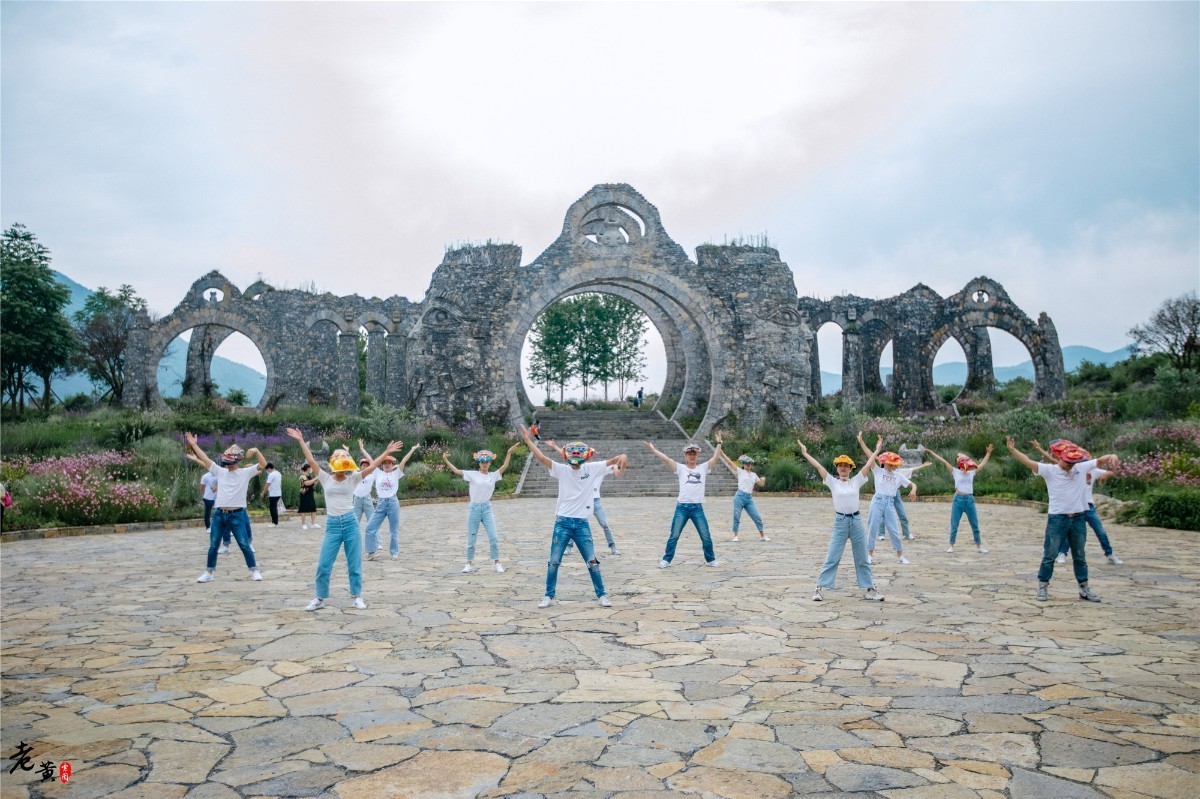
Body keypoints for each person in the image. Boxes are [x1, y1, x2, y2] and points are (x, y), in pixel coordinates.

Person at [287, 428, 403, 611]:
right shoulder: (325, 478)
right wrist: (301, 440)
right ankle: (320, 598)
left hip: (350, 523)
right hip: (332, 525)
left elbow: (372, 467)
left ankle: (357, 596)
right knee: (324, 564)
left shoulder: (353, 479)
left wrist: (386, 452)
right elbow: (311, 460)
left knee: (354, 564)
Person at [520, 425, 626, 608]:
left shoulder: (591, 469)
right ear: (566, 455)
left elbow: (613, 461)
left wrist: (622, 456)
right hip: (562, 522)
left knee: (592, 561)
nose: (575, 457)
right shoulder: (561, 470)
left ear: (586, 456)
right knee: (554, 561)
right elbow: (542, 458)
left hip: (582, 524)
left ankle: (602, 595)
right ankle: (548, 596)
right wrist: (528, 440)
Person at [1006, 437, 1119, 602]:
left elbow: (1101, 460)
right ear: (1060, 458)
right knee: (1050, 554)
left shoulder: (1081, 467)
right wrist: (1013, 450)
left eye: (1073, 462)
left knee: (1080, 555)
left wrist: (1113, 456)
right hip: (1057, 519)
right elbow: (1028, 462)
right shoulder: (1049, 470)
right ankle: (1043, 586)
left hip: (1078, 518)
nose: (1071, 465)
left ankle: (1084, 589)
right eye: (1068, 462)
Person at [798, 435, 885, 602]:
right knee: (833, 555)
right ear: (837, 468)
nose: (843, 468)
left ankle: (870, 589)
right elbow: (818, 466)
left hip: (856, 521)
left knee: (862, 557)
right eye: (840, 465)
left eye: (846, 466)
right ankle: (819, 588)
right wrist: (805, 453)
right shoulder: (832, 482)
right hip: (840, 522)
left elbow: (868, 465)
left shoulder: (856, 481)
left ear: (851, 468)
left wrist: (877, 450)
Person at [185, 436, 265, 584]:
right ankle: (209, 572)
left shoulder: (245, 472)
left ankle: (254, 570)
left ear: (237, 461)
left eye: (230, 462)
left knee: (244, 544)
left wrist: (257, 450)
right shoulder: (220, 471)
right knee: (213, 545)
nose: (228, 465)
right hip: (219, 514)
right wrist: (195, 446)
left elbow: (263, 465)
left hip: (237, 514)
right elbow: (205, 459)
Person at [1031, 441, 1124, 566]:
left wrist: (1110, 470)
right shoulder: (1072, 469)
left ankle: (1110, 554)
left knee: (1100, 531)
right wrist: (1039, 449)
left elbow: (1108, 470)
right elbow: (1052, 460)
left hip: (1088, 506)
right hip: (1074, 507)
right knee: (1067, 530)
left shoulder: (1093, 470)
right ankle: (1062, 553)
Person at [644, 433, 725, 569]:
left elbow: (716, 457)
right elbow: (667, 459)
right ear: (685, 456)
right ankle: (666, 559)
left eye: (694, 454)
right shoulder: (681, 468)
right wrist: (653, 449)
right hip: (682, 508)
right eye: (689, 454)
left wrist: (719, 443)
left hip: (697, 508)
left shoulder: (703, 468)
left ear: (697, 456)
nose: (692, 456)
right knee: (674, 535)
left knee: (705, 535)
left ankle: (710, 559)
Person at [443, 443, 521, 573]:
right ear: (479, 463)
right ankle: (468, 563)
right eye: (482, 462)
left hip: (486, 509)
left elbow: (504, 466)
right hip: (474, 508)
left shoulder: (493, 476)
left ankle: (497, 563)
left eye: (487, 462)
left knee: (493, 537)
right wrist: (446, 460)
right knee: (472, 537)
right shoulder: (472, 474)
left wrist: (508, 453)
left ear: (490, 463)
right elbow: (456, 471)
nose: (484, 464)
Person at [546, 439, 625, 556]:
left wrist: (616, 468)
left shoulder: (597, 467)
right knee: (575, 523)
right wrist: (555, 446)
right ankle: (568, 547)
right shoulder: (580, 467)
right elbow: (568, 456)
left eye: (592, 453)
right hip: (581, 501)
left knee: (604, 524)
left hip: (595, 500)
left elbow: (613, 463)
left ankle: (613, 547)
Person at [925, 445, 994, 554]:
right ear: (961, 466)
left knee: (975, 524)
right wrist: (931, 452)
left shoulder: (972, 473)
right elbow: (943, 461)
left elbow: (982, 464)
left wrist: (988, 453)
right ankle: (951, 546)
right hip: (958, 500)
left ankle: (979, 546)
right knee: (954, 524)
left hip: (969, 500)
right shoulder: (955, 472)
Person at [861, 433, 916, 565]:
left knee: (894, 530)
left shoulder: (898, 476)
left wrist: (913, 490)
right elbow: (869, 455)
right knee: (873, 527)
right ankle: (869, 555)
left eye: (893, 464)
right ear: (885, 463)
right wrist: (863, 442)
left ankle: (900, 556)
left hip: (890, 503)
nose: (891, 466)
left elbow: (912, 484)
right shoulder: (878, 471)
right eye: (889, 464)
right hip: (878, 501)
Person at [361, 440, 420, 561]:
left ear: (393, 465)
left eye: (389, 463)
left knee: (394, 530)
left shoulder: (396, 473)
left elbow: (404, 461)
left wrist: (412, 449)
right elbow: (371, 460)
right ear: (382, 464)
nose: (387, 465)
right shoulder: (377, 472)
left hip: (393, 503)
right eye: (385, 463)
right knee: (370, 527)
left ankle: (394, 552)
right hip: (381, 503)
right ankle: (371, 552)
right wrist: (362, 449)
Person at [719, 450, 769, 542]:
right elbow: (730, 462)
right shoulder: (740, 471)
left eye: (749, 463)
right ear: (743, 464)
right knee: (736, 516)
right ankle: (735, 536)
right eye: (746, 463)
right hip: (740, 496)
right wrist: (722, 453)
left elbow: (761, 484)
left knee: (757, 517)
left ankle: (762, 536)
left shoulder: (754, 475)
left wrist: (763, 479)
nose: (748, 464)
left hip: (749, 499)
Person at [350, 446, 377, 528]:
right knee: (355, 521)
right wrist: (347, 452)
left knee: (372, 520)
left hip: (367, 499)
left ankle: (375, 537)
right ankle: (354, 536)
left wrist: (362, 449)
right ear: (361, 466)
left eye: (366, 465)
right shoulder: (356, 475)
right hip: (357, 499)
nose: (365, 467)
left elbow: (373, 463)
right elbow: (351, 465)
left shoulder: (372, 476)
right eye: (363, 465)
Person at [297, 462, 318, 528]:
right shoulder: (302, 476)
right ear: (307, 468)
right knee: (304, 509)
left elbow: (312, 484)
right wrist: (316, 478)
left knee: (313, 509)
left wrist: (318, 480)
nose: (311, 469)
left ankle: (313, 524)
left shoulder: (309, 476)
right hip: (304, 494)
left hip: (310, 494)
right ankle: (303, 524)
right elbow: (307, 483)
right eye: (310, 468)